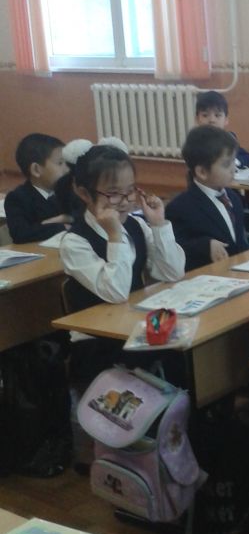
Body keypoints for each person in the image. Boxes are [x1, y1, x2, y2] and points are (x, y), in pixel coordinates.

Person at [60, 143, 186, 385]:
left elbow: (173, 272)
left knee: (183, 347)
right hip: (98, 344)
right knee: (173, 356)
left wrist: (158, 224)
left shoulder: (136, 225)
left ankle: (191, 406)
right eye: (114, 193)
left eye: (130, 191)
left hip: (133, 327)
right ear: (84, 193)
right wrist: (115, 236)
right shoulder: (75, 242)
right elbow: (116, 292)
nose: (126, 202)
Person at [166, 126, 248, 270]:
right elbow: (175, 248)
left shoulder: (233, 198)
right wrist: (205, 245)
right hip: (208, 276)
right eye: (226, 164)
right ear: (202, 172)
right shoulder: (180, 208)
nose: (233, 169)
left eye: (233, 161)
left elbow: (239, 242)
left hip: (238, 272)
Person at [5, 133, 71, 243]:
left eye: (67, 163)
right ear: (36, 169)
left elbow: (85, 216)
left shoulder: (68, 191)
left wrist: (67, 218)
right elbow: (20, 233)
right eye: (60, 163)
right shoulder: (17, 198)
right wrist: (61, 226)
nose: (67, 169)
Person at [195, 90, 249, 171]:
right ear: (197, 119)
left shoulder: (229, 138)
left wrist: (235, 162)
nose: (212, 120)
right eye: (205, 115)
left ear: (226, 120)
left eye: (217, 115)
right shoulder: (195, 142)